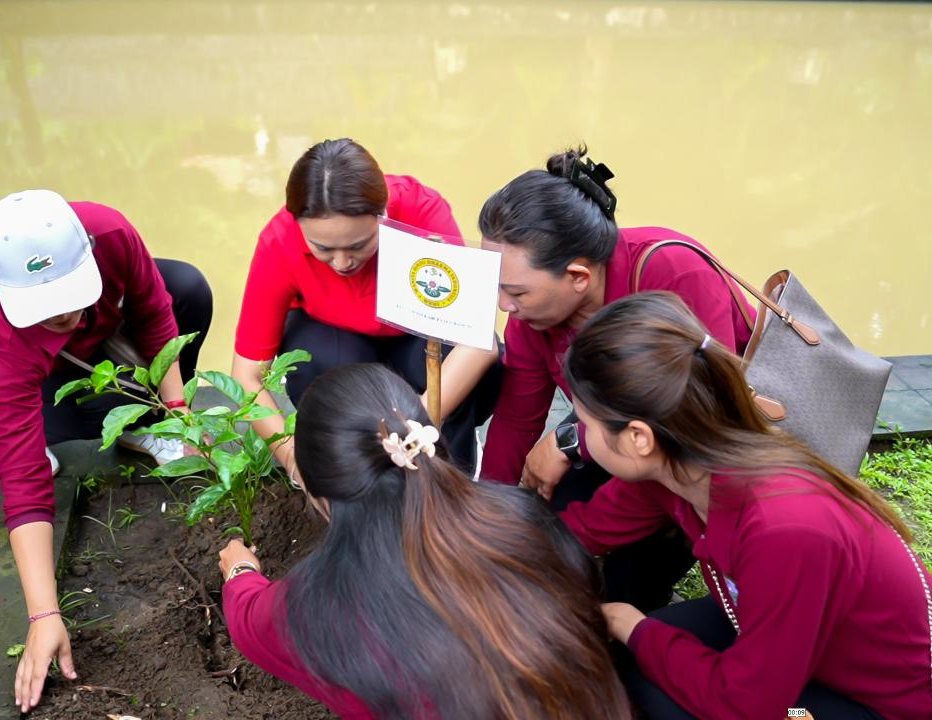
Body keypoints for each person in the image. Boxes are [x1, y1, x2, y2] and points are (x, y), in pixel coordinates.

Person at [559, 291, 932, 720]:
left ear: (638, 438)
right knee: (626, 663)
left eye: (585, 424)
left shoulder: (786, 528)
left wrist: (630, 624)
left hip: (879, 702)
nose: (582, 437)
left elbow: (748, 707)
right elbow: (582, 529)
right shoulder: (682, 464)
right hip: (776, 634)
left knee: (653, 697)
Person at [218, 363, 631, 719]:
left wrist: (240, 570)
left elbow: (248, 619)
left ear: (314, 487)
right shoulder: (524, 520)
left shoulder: (313, 606)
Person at [0, 189, 212, 713]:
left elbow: (156, 313)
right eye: (47, 305)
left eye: (70, 294)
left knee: (186, 288)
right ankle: (5, 417)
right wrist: (44, 616)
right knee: (36, 429)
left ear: (88, 250)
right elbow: (24, 483)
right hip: (16, 351)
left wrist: (178, 414)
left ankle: (138, 424)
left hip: (100, 333)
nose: (64, 312)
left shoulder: (110, 232)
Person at [477, 144, 755, 611]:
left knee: (623, 583)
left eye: (516, 292)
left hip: (695, 444)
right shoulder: (532, 319)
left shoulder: (672, 272)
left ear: (578, 277)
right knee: (545, 520)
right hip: (615, 433)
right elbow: (514, 421)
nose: (504, 306)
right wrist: (484, 519)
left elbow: (697, 424)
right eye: (498, 289)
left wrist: (570, 442)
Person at [231, 138, 500, 475]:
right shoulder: (279, 240)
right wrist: (292, 458)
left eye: (358, 245)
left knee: (457, 356)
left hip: (414, 338)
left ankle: (452, 463)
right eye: (323, 248)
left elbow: (480, 340)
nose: (342, 262)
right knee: (316, 360)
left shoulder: (420, 210)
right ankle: (353, 467)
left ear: (383, 214)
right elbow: (246, 375)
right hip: (338, 343)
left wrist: (415, 428)